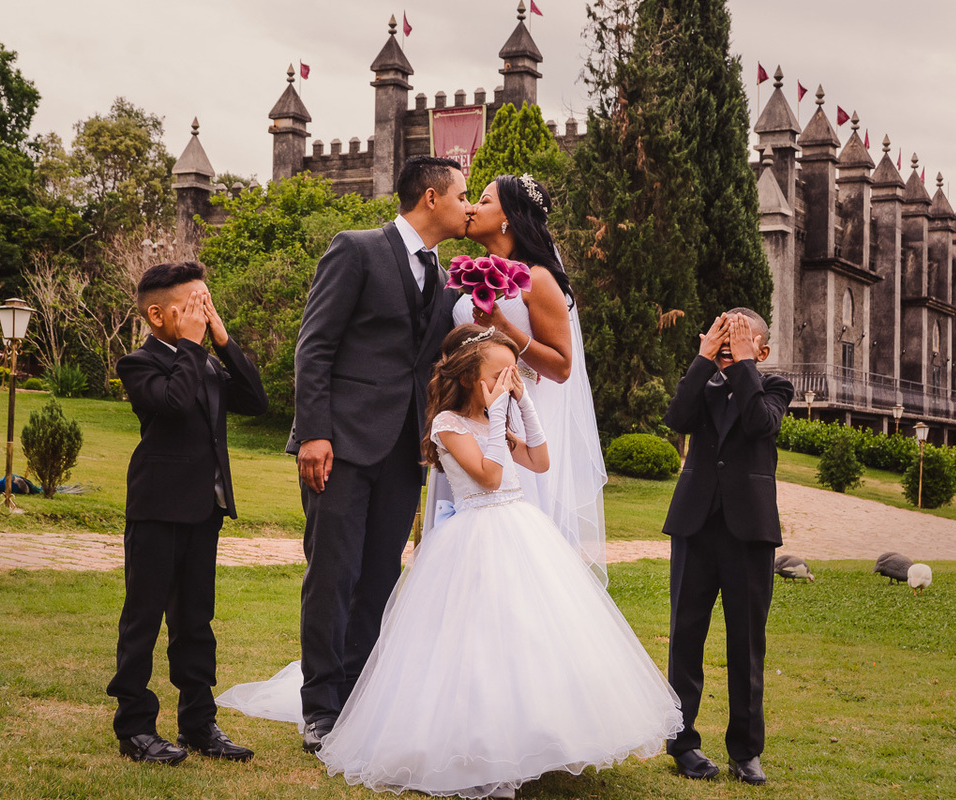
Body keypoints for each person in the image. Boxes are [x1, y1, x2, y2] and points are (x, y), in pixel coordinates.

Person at [311, 324, 682, 799]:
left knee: (525, 636)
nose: (510, 381)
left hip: (521, 530)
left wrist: (523, 406)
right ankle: (480, 755)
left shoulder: (496, 422)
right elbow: (487, 478)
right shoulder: (448, 425)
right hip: (473, 536)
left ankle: (532, 740)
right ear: (471, 379)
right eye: (501, 374)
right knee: (475, 644)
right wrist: (502, 409)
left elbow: (541, 461)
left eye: (514, 374)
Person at [285, 156, 472, 753]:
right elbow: (314, 346)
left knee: (379, 581)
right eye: (463, 195)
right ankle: (319, 710)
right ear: (431, 196)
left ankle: (358, 701)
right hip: (339, 444)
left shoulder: (444, 276)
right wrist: (314, 432)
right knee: (333, 575)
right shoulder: (357, 249)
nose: (469, 206)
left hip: (402, 452)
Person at [106, 261, 269, 764]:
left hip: (205, 510)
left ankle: (199, 723)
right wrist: (194, 348)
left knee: (195, 621)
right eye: (193, 305)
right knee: (144, 618)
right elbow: (173, 406)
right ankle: (135, 727)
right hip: (157, 506)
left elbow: (255, 401)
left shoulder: (205, 359)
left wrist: (220, 340)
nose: (204, 312)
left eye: (207, 303)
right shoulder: (139, 363)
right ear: (157, 315)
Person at [446, 173, 609, 582]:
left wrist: (505, 326)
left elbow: (562, 365)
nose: (472, 208)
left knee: (514, 558)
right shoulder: (469, 281)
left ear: (508, 218)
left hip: (512, 425)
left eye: (483, 200)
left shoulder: (537, 279)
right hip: (465, 424)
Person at [661, 308, 794, 786]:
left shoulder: (775, 388)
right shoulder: (703, 383)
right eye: (723, 342)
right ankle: (682, 742)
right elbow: (677, 417)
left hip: (749, 531)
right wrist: (702, 361)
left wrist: (743, 368)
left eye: (740, 343)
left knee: (746, 643)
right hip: (695, 527)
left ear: (762, 351)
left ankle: (745, 751)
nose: (729, 350)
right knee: (685, 637)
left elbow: (760, 424)